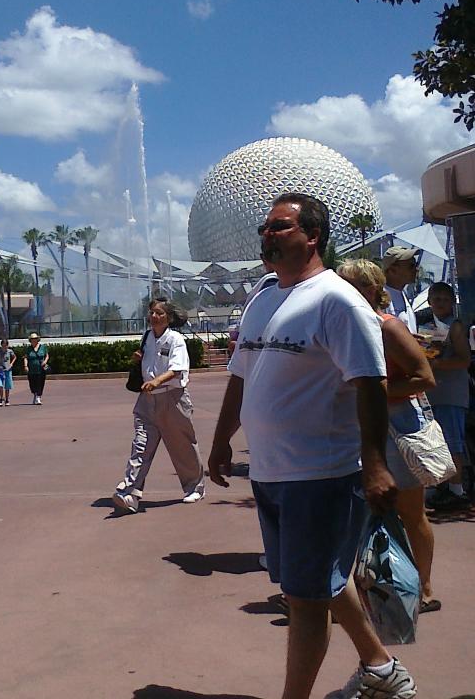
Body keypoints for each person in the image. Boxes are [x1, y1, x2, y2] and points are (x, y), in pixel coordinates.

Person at [208, 193, 416, 699]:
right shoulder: (263, 297)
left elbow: (370, 382)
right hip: (271, 473)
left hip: (321, 475)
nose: (268, 234)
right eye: (265, 227)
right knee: (319, 582)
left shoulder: (336, 300)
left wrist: (375, 465)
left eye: (280, 226)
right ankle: (383, 670)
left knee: (305, 600)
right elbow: (241, 375)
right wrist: (220, 441)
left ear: (312, 236)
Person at [338, 259, 440, 612]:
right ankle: (358, 591)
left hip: (397, 425)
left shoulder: (388, 327)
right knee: (356, 513)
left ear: (368, 289)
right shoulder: (342, 328)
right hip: (357, 426)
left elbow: (425, 377)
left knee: (411, 511)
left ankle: (424, 589)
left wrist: (374, 392)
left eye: (348, 285)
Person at [112, 297, 205, 514]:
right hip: (147, 400)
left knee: (182, 446)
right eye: (152, 312)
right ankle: (131, 492)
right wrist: (138, 360)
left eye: (159, 313)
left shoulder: (175, 340)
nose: (154, 316)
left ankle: (195, 487)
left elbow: (177, 369)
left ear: (169, 318)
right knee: (141, 445)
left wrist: (157, 381)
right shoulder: (147, 337)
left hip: (172, 398)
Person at [420, 282, 471, 511]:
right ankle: (441, 487)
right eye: (436, 299)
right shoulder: (425, 326)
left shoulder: (455, 327)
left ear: (452, 303)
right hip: (432, 394)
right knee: (434, 444)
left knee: (452, 444)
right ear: (429, 301)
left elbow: (464, 360)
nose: (440, 303)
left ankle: (457, 490)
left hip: (451, 394)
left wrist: (437, 364)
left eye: (445, 299)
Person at [381, 246, 420, 333]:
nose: (416, 269)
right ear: (392, 270)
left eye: (416, 265)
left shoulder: (402, 293)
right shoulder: (381, 298)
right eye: (411, 266)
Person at [24, 332, 49, 404]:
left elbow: (47, 355)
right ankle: (35, 394)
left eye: (35, 339)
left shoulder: (43, 347)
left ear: (37, 339)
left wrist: (45, 361)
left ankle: (38, 397)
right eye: (32, 339)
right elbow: (25, 357)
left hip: (40, 369)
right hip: (31, 369)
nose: (34, 340)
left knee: (40, 383)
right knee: (32, 384)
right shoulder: (28, 349)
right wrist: (25, 366)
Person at [0, 338, 15, 405]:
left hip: (8, 370)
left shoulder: (10, 351)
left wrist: (11, 364)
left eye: (5, 345)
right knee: (0, 385)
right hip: (1, 371)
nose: (4, 347)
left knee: (7, 386)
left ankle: (7, 399)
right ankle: (1, 398)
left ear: (7, 345)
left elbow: (14, 357)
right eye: (3, 345)